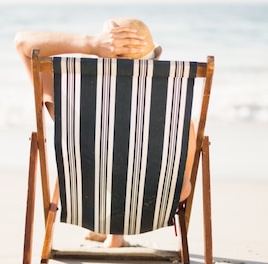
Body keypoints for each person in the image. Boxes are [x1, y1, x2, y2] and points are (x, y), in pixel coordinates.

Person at [15, 18, 194, 247]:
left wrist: (90, 44)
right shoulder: (176, 122)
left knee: (98, 149)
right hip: (146, 212)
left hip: (88, 203)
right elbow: (182, 190)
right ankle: (115, 235)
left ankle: (109, 231)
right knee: (126, 156)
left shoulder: (73, 105)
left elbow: (22, 43)